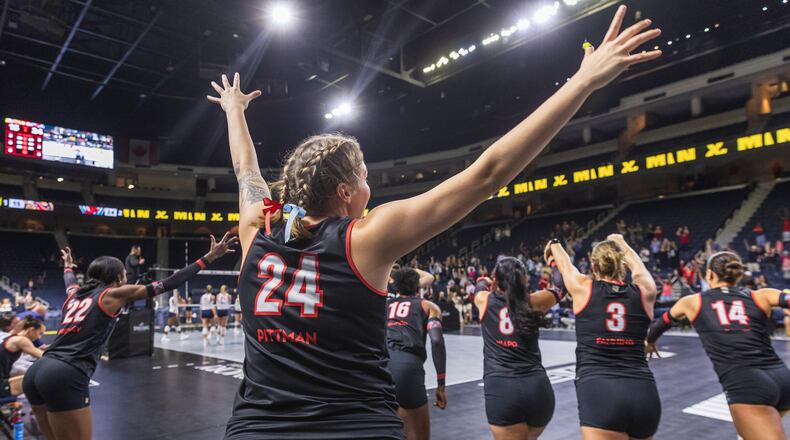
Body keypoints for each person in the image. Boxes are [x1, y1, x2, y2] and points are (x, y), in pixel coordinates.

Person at [208, 6, 661, 438]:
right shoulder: (365, 238)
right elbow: (488, 172)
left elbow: (246, 172)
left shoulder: (257, 229)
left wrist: (234, 111)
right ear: (345, 192)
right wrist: (582, 82)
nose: (371, 188)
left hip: (257, 428)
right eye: (365, 177)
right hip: (357, 427)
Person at [22, 234, 237, 440]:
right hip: (65, 373)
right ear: (118, 278)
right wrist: (209, 258)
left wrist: (68, 265)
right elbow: (169, 283)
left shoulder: (74, 294)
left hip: (38, 371)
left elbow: (69, 279)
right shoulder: (113, 294)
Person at [645, 252, 790, 440]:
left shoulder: (692, 302)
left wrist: (650, 342)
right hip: (782, 379)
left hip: (748, 385)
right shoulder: (761, 295)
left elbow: (661, 323)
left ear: (710, 275)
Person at [547, 234, 660, 439]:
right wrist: (622, 242)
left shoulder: (584, 288)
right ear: (622, 262)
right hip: (643, 393)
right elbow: (640, 269)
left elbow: (565, 266)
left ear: (594, 265)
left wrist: (554, 244)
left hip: (600, 392)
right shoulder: (646, 291)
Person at [474, 257, 566, 439]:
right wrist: (554, 263)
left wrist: (483, 280)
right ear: (524, 280)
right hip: (537, 389)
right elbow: (559, 288)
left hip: (503, 390)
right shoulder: (534, 301)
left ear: (496, 280)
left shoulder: (484, 301)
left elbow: (478, 288)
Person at [386, 268, 447, 440]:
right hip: (408, 368)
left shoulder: (384, 306)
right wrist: (441, 384)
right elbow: (436, 341)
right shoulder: (428, 306)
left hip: (382, 368)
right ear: (418, 287)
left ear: (396, 288)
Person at [0, 317, 45, 397]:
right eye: (40, 333)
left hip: (4, 380)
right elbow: (43, 356)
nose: (39, 337)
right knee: (43, 377)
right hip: (2, 385)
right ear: (31, 330)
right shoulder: (21, 340)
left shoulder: (11, 338)